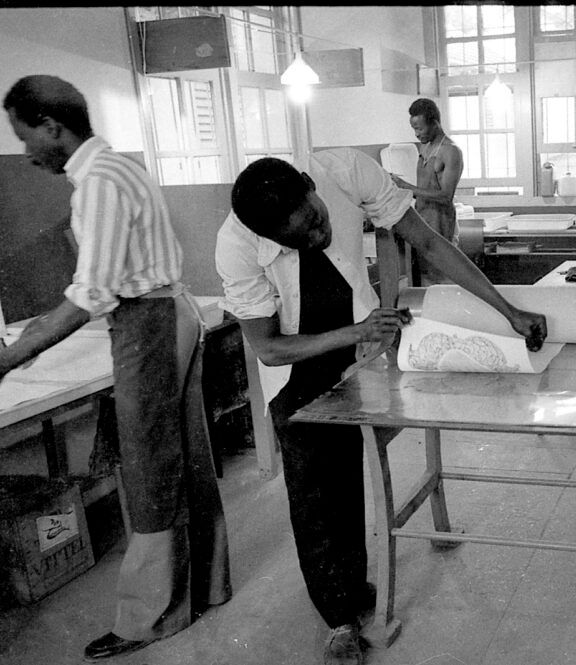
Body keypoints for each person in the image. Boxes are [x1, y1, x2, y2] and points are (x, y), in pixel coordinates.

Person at [215, 150, 546, 664]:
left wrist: (509, 311)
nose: (315, 238)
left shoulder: (348, 173)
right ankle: (339, 619)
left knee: (348, 474)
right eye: (296, 239)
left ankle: (354, 586)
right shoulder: (235, 248)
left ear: (310, 185)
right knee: (312, 494)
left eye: (316, 221)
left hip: (358, 349)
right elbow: (269, 347)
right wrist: (356, 331)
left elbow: (430, 244)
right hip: (296, 370)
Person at [0, 75, 231, 661]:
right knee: (181, 456)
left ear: (52, 127)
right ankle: (204, 587)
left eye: (26, 139)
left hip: (147, 326)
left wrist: (12, 357)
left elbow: (93, 293)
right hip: (166, 313)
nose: (26, 154)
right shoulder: (120, 167)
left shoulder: (97, 183)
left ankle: (152, 618)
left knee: (151, 472)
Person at [389, 98, 464, 285]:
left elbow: (446, 196)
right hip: (423, 221)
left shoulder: (450, 151)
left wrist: (407, 187)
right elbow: (423, 189)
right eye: (414, 129)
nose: (416, 134)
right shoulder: (425, 147)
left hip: (441, 223)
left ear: (435, 124)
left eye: (420, 128)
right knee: (425, 280)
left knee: (444, 280)